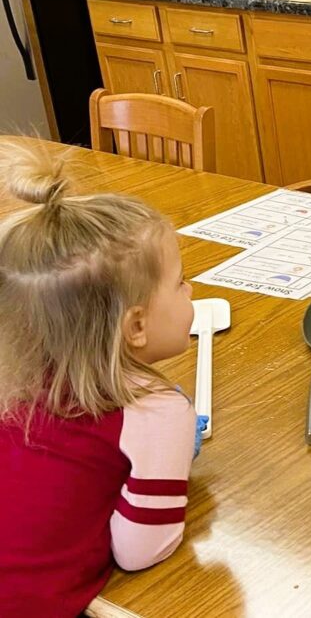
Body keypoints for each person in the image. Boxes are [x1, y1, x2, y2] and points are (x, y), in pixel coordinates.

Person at [0, 144, 205, 616]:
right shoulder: (156, 412)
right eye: (180, 282)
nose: (190, 290)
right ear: (134, 327)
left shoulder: (18, 378)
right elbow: (140, 551)